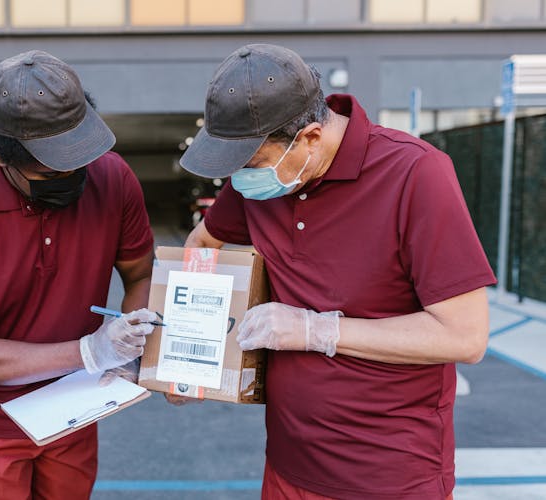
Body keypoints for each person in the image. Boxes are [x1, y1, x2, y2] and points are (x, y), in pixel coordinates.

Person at [180, 44, 496, 500]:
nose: (240, 180)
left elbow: (465, 337)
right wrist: (189, 355)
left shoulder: (416, 173)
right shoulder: (260, 184)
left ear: (309, 137)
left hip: (390, 477)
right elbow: (202, 244)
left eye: (251, 166)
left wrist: (318, 330)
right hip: (287, 465)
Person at [0, 50, 156, 500]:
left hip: (77, 401)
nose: (71, 173)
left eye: (78, 158)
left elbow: (141, 274)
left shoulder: (113, 178)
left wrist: (132, 344)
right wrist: (91, 350)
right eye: (51, 169)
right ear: (2, 157)